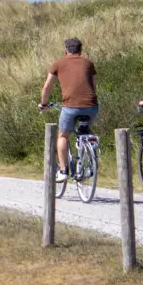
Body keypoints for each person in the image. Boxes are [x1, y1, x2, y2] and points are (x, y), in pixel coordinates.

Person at [38, 37, 98, 182]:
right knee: (86, 131)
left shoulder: (58, 64)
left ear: (65, 50)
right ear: (81, 49)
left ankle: (64, 170)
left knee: (63, 136)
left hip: (70, 107)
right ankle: (90, 159)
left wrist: (43, 103)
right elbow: (94, 86)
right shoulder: (89, 63)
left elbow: (47, 86)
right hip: (91, 106)